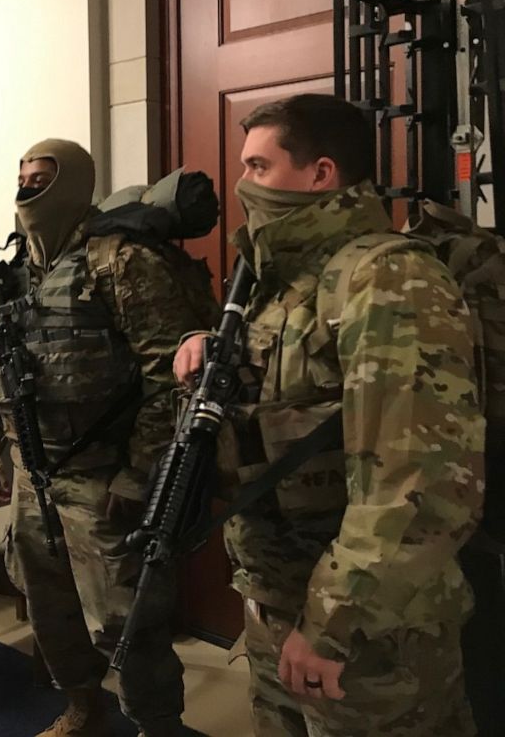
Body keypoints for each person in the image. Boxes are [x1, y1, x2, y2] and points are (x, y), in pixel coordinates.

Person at [174, 93, 484, 736]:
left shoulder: (385, 278)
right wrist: (205, 351)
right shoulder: (278, 282)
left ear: (320, 174)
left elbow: (419, 485)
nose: (242, 185)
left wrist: (331, 626)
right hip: (279, 605)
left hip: (372, 636)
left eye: (259, 167)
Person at [0, 138, 218, 737]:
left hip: (104, 478)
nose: (29, 189)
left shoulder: (121, 261)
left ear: (77, 183)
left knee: (126, 623)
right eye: (23, 177)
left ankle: (156, 724)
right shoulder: (12, 272)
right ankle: (82, 706)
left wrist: (139, 474)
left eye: (44, 178)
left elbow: (172, 376)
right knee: (49, 608)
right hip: (34, 472)